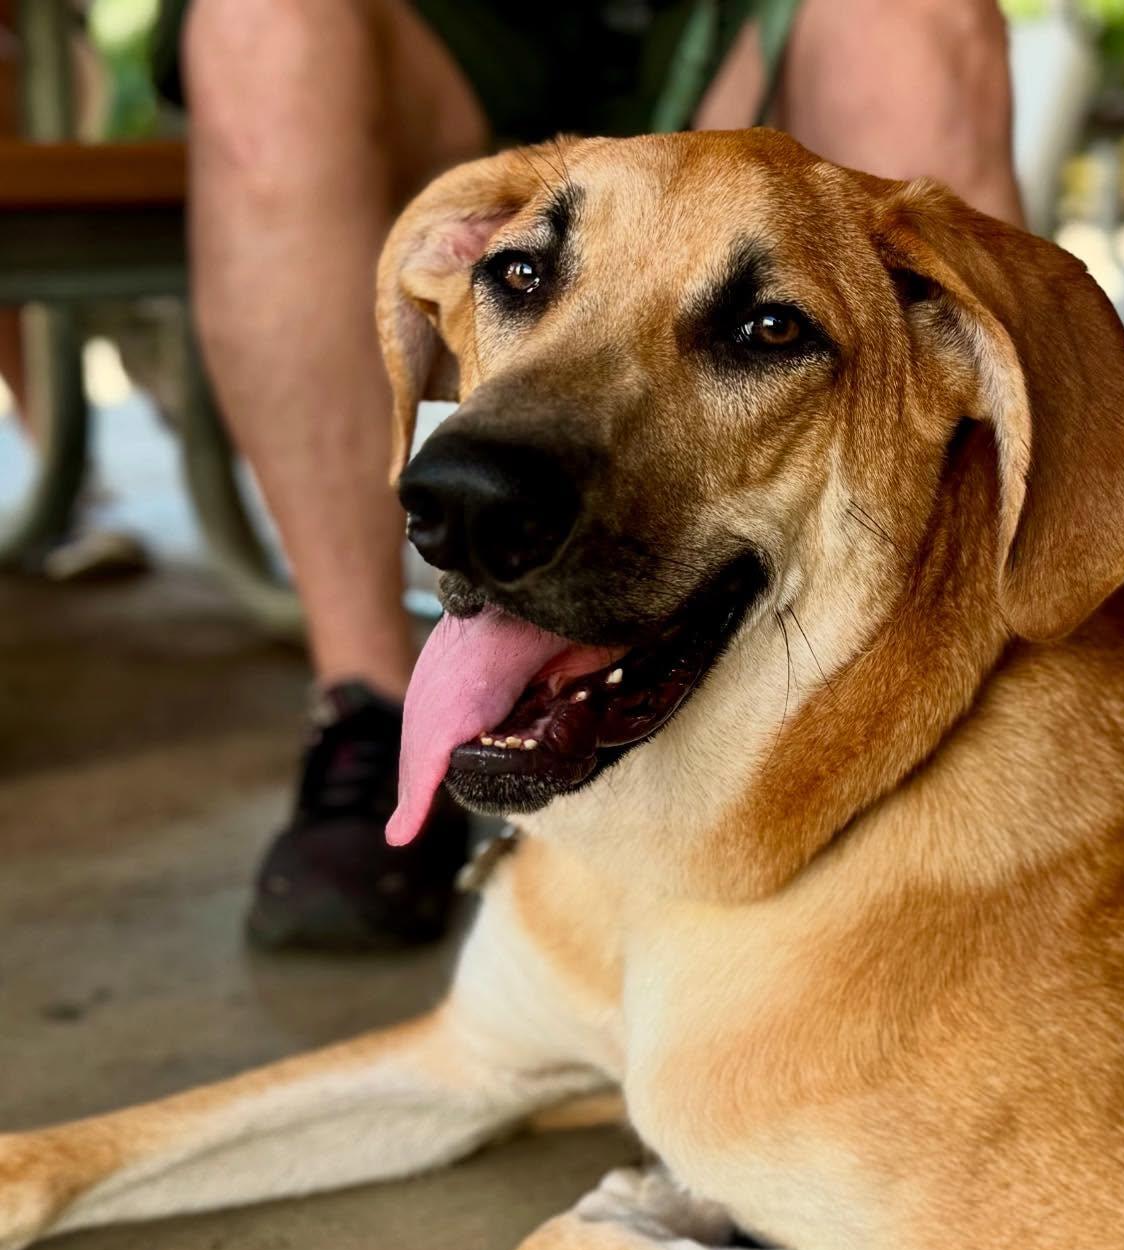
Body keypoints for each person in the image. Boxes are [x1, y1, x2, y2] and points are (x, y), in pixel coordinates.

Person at [159, 0, 1024, 951]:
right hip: (450, 33)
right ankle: (368, 701)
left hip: (718, 21)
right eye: (521, 277)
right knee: (260, 18)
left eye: (763, 332)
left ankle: (973, 640)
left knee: (917, 15)